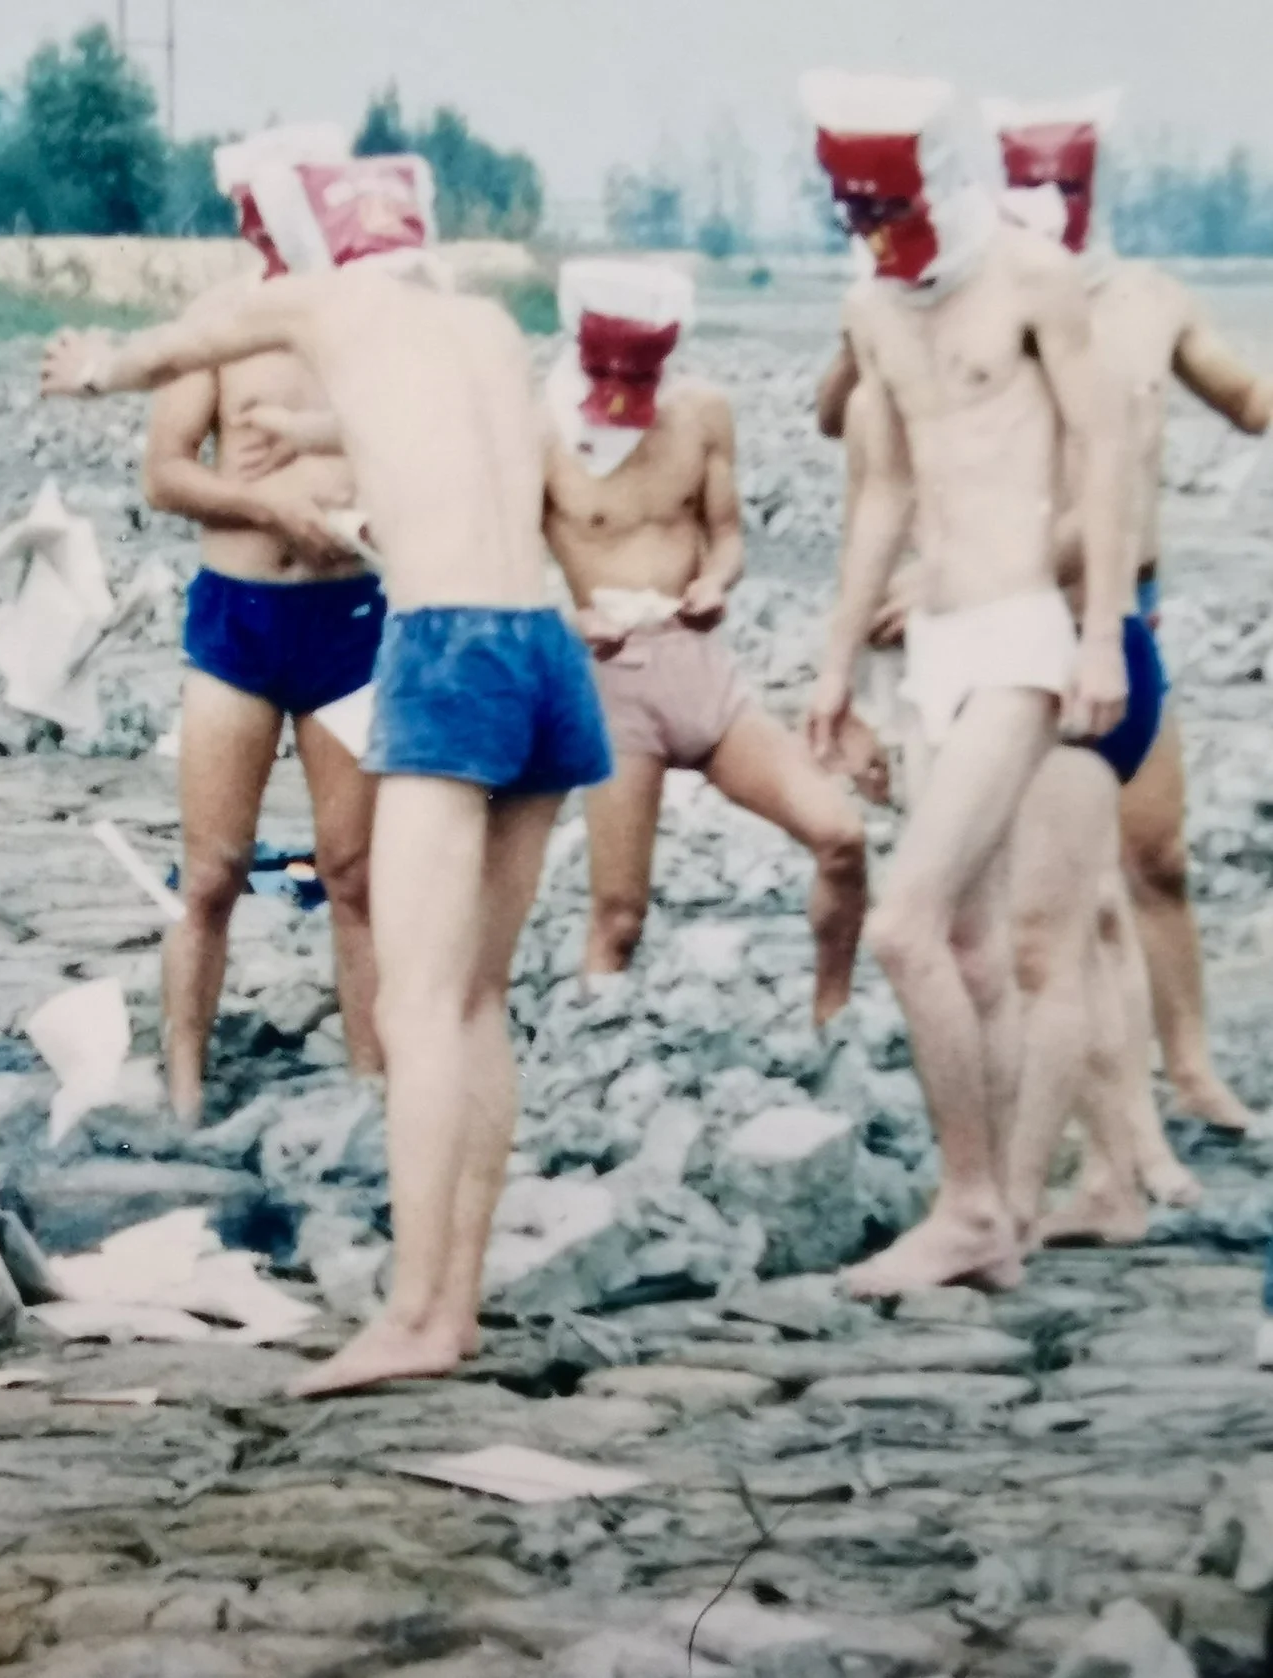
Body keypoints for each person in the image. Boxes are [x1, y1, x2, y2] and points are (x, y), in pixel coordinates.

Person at [41, 151, 613, 1396]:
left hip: (444, 648)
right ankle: (452, 1305)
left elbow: (184, 337)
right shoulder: (477, 319)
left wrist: (97, 367)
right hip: (542, 651)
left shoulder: (320, 300)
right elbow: (473, 444)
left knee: (417, 1007)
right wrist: (311, 430)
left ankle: (410, 1313)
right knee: (474, 1000)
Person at [800, 72, 1132, 1297]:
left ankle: (970, 1205)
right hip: (930, 648)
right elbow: (882, 489)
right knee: (975, 948)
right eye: (859, 210)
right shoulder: (872, 303)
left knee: (901, 924)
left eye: (894, 206)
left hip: (1021, 636)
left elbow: (1101, 452)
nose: (882, 232)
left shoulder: (1032, 278)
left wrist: (1098, 633)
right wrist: (837, 666)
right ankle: (999, 1223)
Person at [991, 90, 1271, 1140]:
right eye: (1031, 181)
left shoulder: (1150, 299)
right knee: (1042, 890)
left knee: (1155, 858)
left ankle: (1189, 1068)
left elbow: (1249, 401)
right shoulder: (989, 298)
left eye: (1068, 181)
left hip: (1130, 611)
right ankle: (1069, 1115)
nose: (1052, 201)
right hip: (1017, 614)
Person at [541, 260, 868, 1023]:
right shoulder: (542, 430)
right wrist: (569, 621)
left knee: (842, 836)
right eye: (607, 367)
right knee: (620, 915)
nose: (624, 386)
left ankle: (833, 1021)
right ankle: (594, 1051)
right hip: (612, 684)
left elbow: (726, 537)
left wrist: (715, 584)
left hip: (703, 674)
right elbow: (501, 572)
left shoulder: (702, 412)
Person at [142, 125, 386, 1121]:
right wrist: (273, 512)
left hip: (352, 621)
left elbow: (422, 446)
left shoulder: (374, 323)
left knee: (353, 872)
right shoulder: (217, 321)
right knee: (210, 871)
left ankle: (373, 1083)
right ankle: (184, 1083)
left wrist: (368, 518)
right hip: (240, 623)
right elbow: (164, 473)